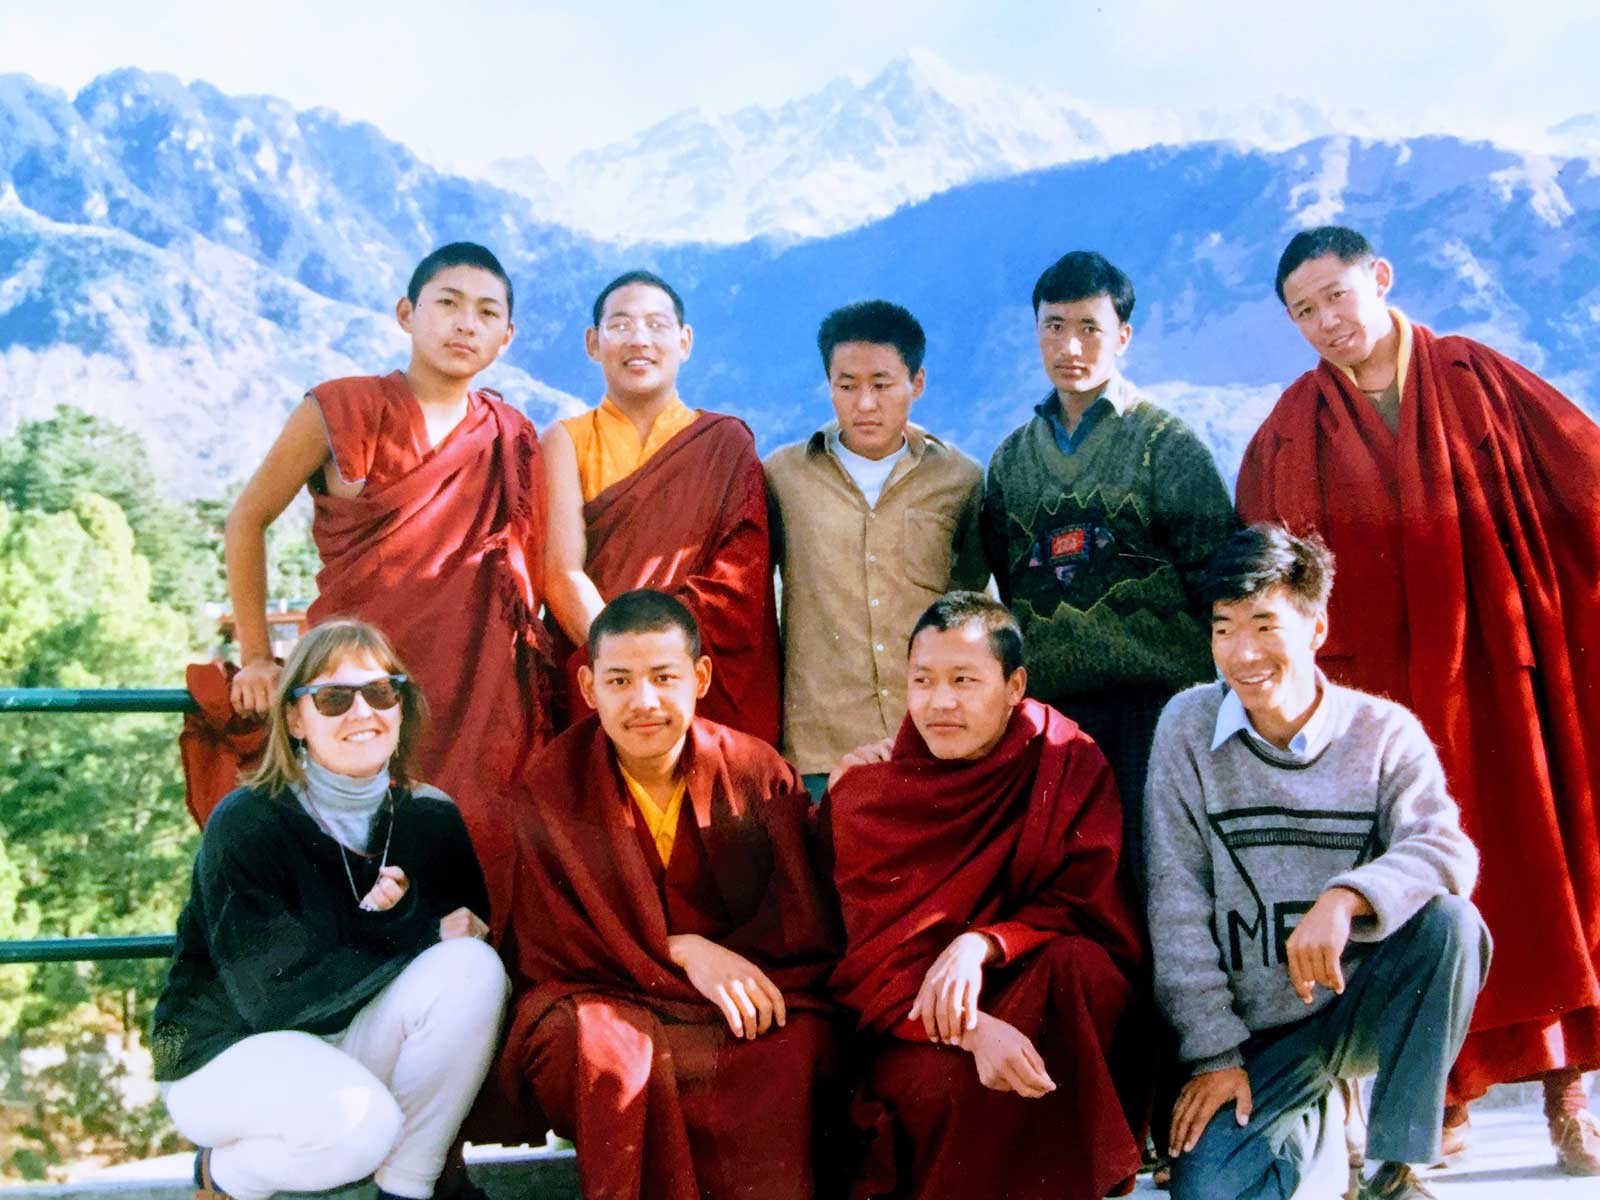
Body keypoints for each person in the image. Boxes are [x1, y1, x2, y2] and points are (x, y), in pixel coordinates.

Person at [1237, 224, 1600, 1172]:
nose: (1325, 322)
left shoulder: (1480, 380)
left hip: (1497, 681)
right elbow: (1269, 576)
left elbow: (1585, 479)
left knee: (1541, 884)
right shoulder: (1289, 430)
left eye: (1335, 297)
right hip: (1384, 712)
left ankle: (1570, 1097)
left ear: (1380, 279)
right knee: (1412, 900)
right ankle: (1444, 1103)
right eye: (1303, 312)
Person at [1145, 525, 1489, 1200]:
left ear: (1316, 628)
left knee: (1450, 925)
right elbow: (1175, 905)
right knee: (1212, 1191)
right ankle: (1320, 1124)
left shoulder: (1382, 733)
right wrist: (1215, 1056)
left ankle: (1397, 1167)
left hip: (1356, 1007)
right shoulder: (1185, 728)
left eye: (1266, 626)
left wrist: (1347, 899)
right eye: (1224, 629)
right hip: (1259, 1040)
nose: (1242, 654)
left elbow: (1448, 850)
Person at [220, 241, 550, 936]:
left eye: (486, 312)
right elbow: (246, 520)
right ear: (407, 313)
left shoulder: (510, 435)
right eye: (448, 304)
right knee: (344, 870)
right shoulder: (344, 408)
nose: (466, 324)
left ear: (506, 336)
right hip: (353, 688)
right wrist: (257, 655)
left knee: (475, 866)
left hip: (478, 694)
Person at [495, 589, 843, 1200]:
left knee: (795, 1046)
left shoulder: (756, 771)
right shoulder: (552, 784)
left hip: (733, 998)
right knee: (596, 1053)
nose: (644, 702)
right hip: (609, 993)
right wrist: (679, 951)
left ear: (700, 676)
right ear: (587, 687)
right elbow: (552, 952)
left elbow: (800, 927)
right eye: (621, 681)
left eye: (663, 677)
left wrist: (704, 960)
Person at [152, 620, 508, 1200]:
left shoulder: (431, 817)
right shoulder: (247, 821)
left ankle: (407, 1188)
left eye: (380, 692)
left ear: (401, 706)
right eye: (334, 698)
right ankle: (222, 1175)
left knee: (474, 967)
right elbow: (273, 998)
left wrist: (427, 937)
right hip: (223, 1051)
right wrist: (411, 930)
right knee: (359, 1129)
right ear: (295, 719)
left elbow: (457, 963)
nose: (361, 712)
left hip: (345, 1037)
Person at [827, 591, 1145, 1200]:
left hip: (1026, 988)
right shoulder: (872, 797)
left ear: (1014, 684)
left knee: (1082, 970)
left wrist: (985, 943)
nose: (940, 702)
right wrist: (974, 1031)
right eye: (923, 680)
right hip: (917, 1026)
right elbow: (868, 972)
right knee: (947, 1084)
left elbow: (1087, 903)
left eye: (964, 680)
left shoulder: (1065, 759)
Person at [980, 250, 1236, 889]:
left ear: (1122, 335)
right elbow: (1014, 591)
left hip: (1159, 707)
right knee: (1069, 879)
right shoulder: (1010, 461)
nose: (1070, 345)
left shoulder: (1165, 445)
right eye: (1054, 325)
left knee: (1160, 875)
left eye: (1090, 327)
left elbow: (1219, 579)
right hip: (1053, 711)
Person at [541, 271, 781, 743]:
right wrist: (621, 670)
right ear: (593, 342)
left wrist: (662, 667)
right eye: (622, 325)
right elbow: (562, 573)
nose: (640, 340)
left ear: (685, 341)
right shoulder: (565, 440)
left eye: (656, 325)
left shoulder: (725, 443)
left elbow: (740, 580)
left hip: (692, 672)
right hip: (601, 671)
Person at [765, 300, 987, 799]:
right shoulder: (782, 477)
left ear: (918, 383)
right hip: (820, 748)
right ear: (829, 385)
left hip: (934, 741)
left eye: (882, 385)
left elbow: (971, 602)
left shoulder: (960, 480)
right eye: (847, 386)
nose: (864, 404)